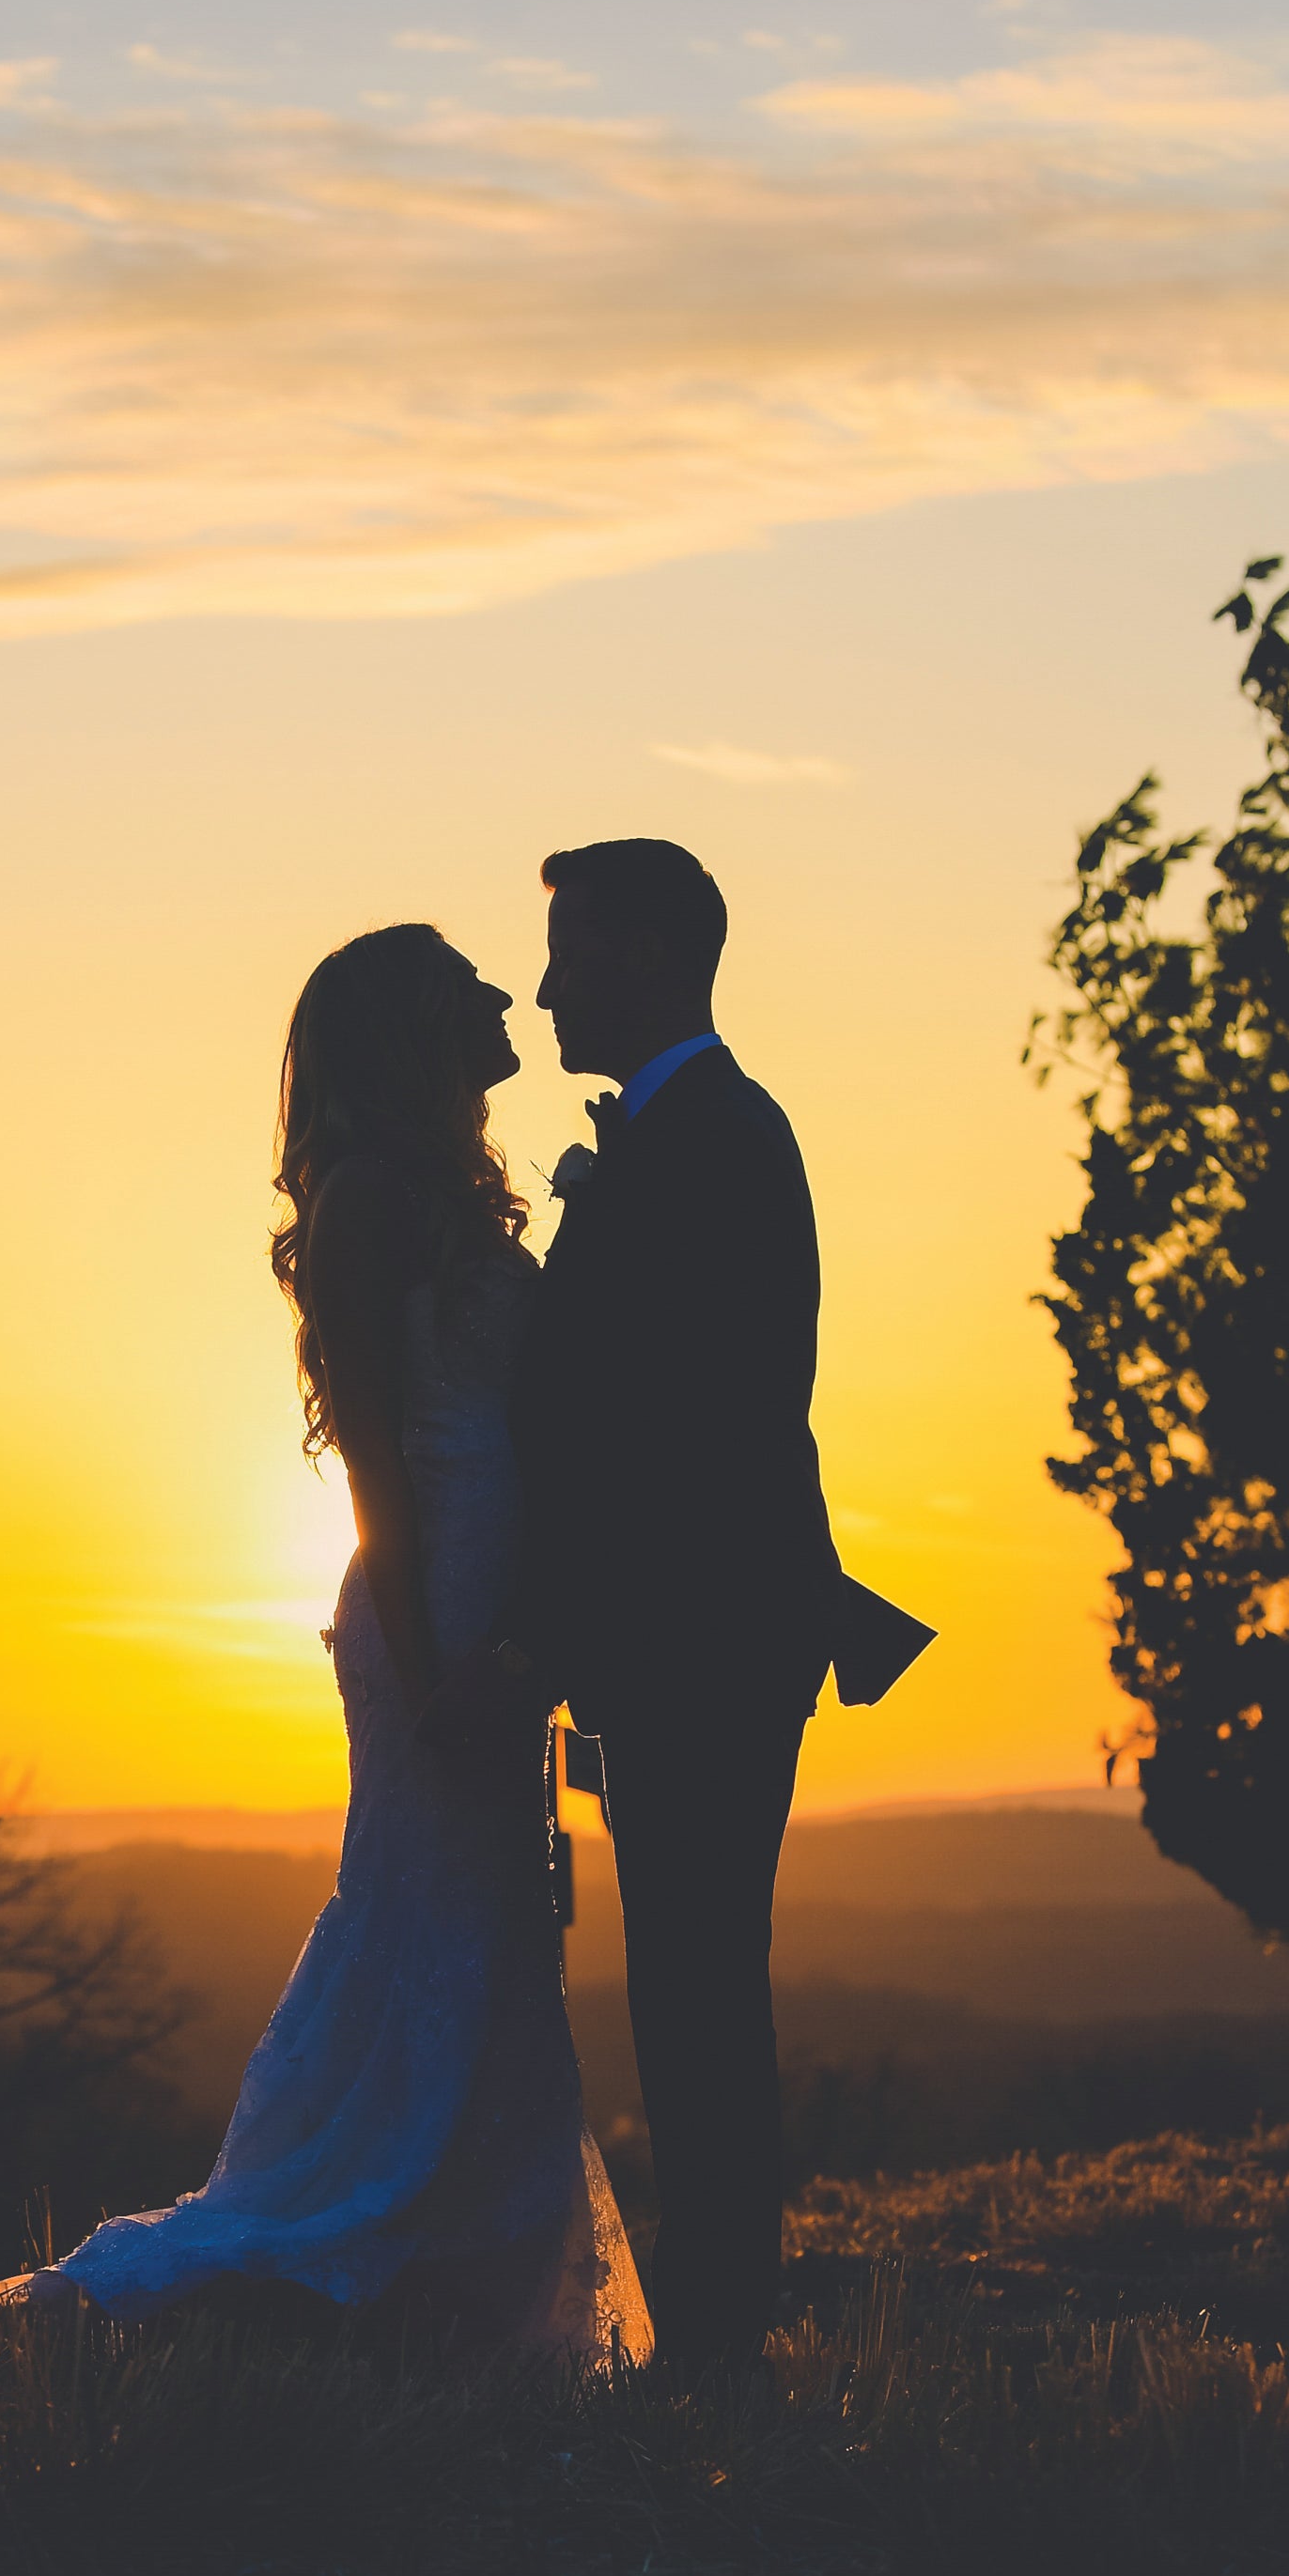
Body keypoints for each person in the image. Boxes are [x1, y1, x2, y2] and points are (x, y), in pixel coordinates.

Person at [0, 922, 648, 2359]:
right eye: (462, 986)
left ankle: (470, 2265)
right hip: (436, 1585)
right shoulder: (364, 1206)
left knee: (493, 1922)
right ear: (406, 1031)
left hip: (497, 1572)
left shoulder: (452, 1196)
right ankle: (356, 2233)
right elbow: (372, 1459)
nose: (497, 997)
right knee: (437, 1907)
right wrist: (431, 1665)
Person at [510, 837, 839, 2384]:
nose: (549, 982)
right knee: (686, 1982)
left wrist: (560, 1639)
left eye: (571, 950)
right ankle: (716, 2323)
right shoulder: (678, 1133)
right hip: (684, 1637)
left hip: (706, 1640)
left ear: (648, 953)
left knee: (702, 1984)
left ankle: (717, 2339)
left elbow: (692, 1433)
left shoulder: (719, 1139)